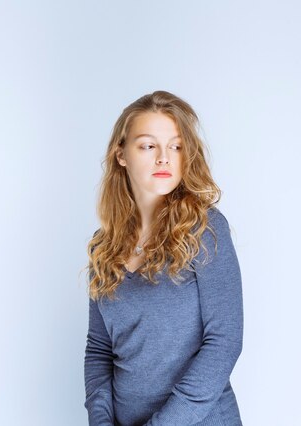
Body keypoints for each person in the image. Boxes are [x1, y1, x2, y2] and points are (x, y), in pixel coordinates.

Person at [83, 90, 244, 426]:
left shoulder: (205, 229)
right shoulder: (104, 246)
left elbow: (224, 343)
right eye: (148, 145)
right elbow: (99, 350)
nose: (164, 158)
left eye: (176, 146)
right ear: (121, 154)